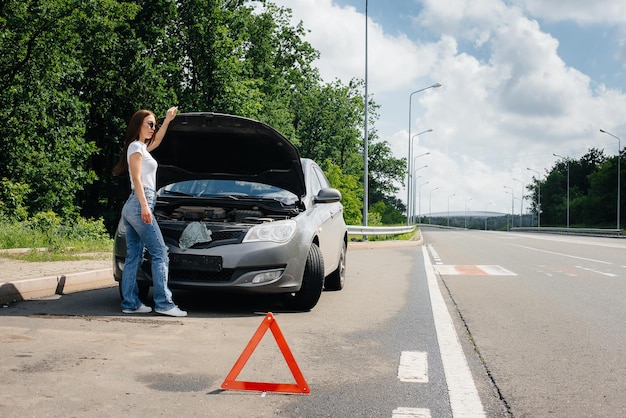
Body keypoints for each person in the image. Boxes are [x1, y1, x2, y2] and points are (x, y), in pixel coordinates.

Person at [112, 107, 187, 317]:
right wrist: (145, 206)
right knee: (160, 253)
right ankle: (164, 303)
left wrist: (168, 120)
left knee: (134, 256)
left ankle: (130, 303)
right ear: (138, 125)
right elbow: (136, 179)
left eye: (154, 124)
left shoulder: (142, 148)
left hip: (135, 204)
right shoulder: (135, 147)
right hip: (139, 202)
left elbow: (158, 141)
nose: (153, 128)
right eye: (150, 124)